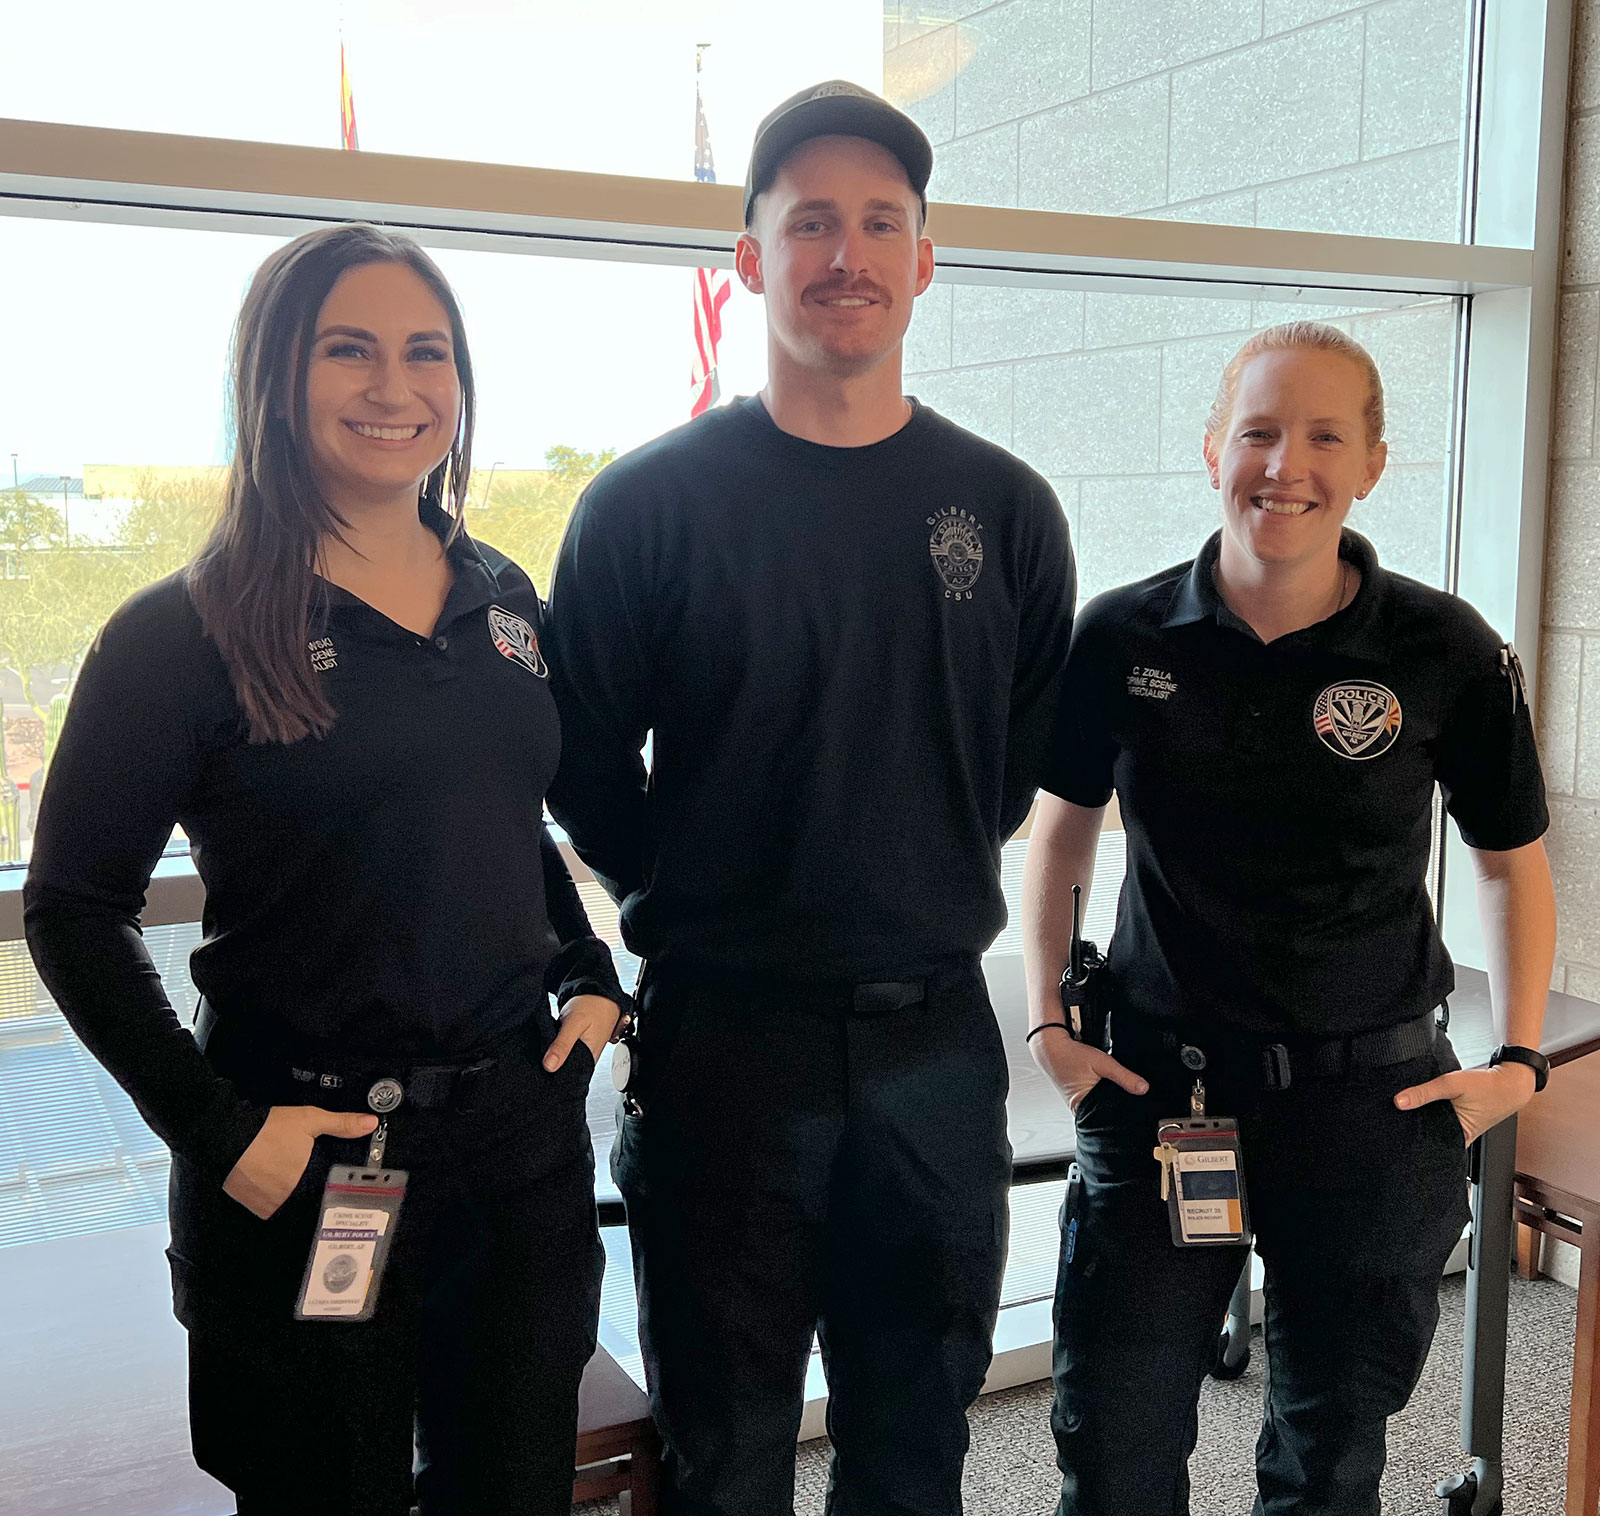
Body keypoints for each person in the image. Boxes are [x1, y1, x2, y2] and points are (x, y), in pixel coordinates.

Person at [23, 223, 626, 1516]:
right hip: (302, 1155)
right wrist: (216, 1133)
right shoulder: (182, 633)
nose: (395, 388)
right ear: (275, 378)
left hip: (517, 1149)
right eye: (348, 350)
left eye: (428, 353)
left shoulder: (504, 598)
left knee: (513, 1487)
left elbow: (497, 816)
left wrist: (586, 970)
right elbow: (73, 909)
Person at [545, 81, 1076, 1516]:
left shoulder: (1006, 508)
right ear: (750, 257)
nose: (848, 251)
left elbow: (1016, 758)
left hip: (933, 1046)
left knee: (917, 1440)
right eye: (812, 222)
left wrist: (905, 862)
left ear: (924, 258)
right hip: (723, 1044)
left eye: (880, 222)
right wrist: (702, 877)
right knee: (723, 1447)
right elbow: (580, 759)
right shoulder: (646, 508)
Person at [1023, 320, 1556, 1516]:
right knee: (1111, 1444)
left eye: (1325, 435)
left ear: (1372, 462)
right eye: (1258, 430)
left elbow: (1510, 859)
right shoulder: (1122, 633)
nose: (1286, 464)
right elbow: (1061, 829)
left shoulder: (1442, 648)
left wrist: (1516, 1060)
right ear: (1213, 444)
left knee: (1326, 1462)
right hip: (1162, 1091)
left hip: (1365, 1103)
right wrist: (1049, 1024)